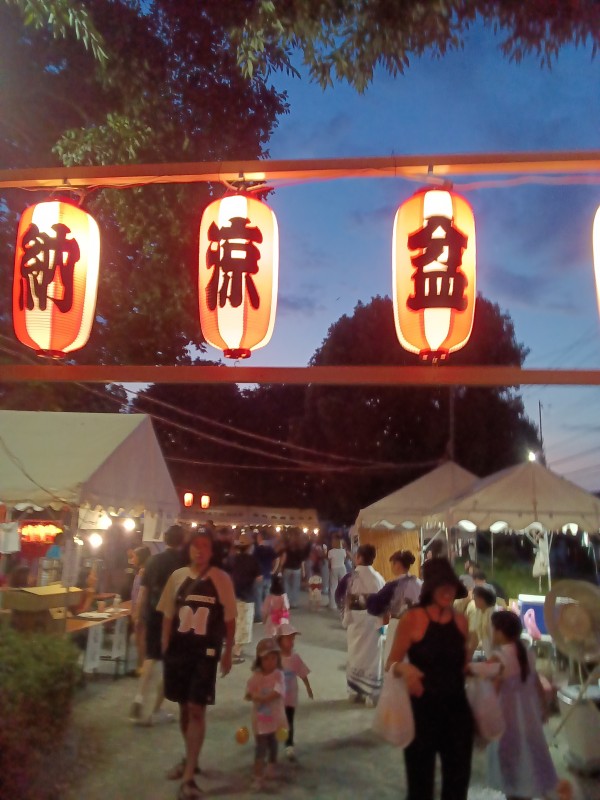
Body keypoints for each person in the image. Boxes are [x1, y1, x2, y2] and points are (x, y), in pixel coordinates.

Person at [158, 529, 236, 800]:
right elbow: (168, 614)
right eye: (195, 545)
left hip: (205, 653)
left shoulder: (221, 579)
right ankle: (191, 757)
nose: (199, 550)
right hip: (179, 652)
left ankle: (189, 776)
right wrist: (165, 644)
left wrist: (228, 651)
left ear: (211, 551)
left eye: (205, 545)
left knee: (196, 709)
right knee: (183, 708)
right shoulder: (178, 577)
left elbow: (230, 619)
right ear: (189, 549)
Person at [387, 557, 473, 800]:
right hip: (422, 712)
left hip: (457, 711)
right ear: (430, 589)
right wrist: (405, 670)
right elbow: (391, 662)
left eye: (451, 587)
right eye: (441, 586)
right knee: (420, 785)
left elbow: (460, 666)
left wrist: (482, 669)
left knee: (457, 784)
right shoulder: (412, 619)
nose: (448, 592)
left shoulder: (461, 621)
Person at [485, 609, 558, 800]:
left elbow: (492, 691)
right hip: (528, 715)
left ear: (500, 631)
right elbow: (537, 683)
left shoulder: (498, 657)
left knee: (510, 758)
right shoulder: (526, 652)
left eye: (492, 628)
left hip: (506, 716)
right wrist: (543, 708)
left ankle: (514, 793)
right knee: (528, 756)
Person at [129, 524, 185, 725]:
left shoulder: (153, 560)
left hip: (153, 613)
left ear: (165, 539)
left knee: (151, 657)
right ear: (182, 541)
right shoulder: (184, 562)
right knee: (171, 664)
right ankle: (156, 710)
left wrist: (138, 615)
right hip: (174, 616)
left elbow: (143, 591)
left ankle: (139, 698)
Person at [340, 543, 385, 705]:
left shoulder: (351, 578)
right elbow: (384, 603)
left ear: (359, 557)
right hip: (373, 621)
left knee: (355, 654)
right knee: (373, 656)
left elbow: (343, 599)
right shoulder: (379, 578)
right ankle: (371, 694)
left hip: (356, 620)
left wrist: (346, 617)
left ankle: (355, 692)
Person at [245, 637, 287, 792]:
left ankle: (271, 766)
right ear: (259, 660)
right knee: (260, 748)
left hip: (275, 719)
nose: (270, 662)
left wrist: (261, 698)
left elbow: (277, 692)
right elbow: (248, 693)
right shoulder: (256, 677)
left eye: (273, 658)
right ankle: (258, 776)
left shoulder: (278, 675)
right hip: (260, 720)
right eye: (266, 659)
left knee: (273, 744)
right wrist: (251, 695)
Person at [366, 549, 422, 663]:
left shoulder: (394, 586)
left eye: (393, 564)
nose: (391, 567)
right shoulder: (419, 583)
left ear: (398, 565)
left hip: (398, 627)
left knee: (394, 662)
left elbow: (375, 606)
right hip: (418, 628)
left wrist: (368, 598)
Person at [276, 623, 313, 761]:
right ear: (280, 640)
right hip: (276, 697)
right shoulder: (274, 658)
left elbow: (302, 673)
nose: (291, 642)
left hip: (290, 697)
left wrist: (308, 688)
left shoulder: (295, 658)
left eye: (293, 639)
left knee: (289, 720)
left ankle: (289, 744)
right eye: (288, 639)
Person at [230, 531, 261, 664]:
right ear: (250, 547)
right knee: (244, 625)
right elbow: (259, 578)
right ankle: (236, 652)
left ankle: (232, 646)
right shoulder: (253, 561)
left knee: (234, 622)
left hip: (232, 595)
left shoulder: (233, 559)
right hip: (246, 596)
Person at [130, 545, 151, 675]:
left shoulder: (143, 572)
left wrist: (137, 612)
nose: (132, 559)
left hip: (142, 609)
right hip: (139, 607)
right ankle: (141, 665)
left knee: (140, 638)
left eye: (134, 556)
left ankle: (141, 666)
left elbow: (141, 594)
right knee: (139, 638)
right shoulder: (141, 571)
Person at [282, 531, 311, 609]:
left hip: (287, 568)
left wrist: (281, 568)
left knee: (286, 586)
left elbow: (283, 558)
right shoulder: (299, 549)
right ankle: (294, 603)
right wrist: (303, 571)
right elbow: (302, 561)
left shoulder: (287, 548)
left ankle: (286, 602)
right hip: (296, 569)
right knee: (295, 587)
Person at [470, 583, 499, 658]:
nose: (473, 599)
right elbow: (474, 636)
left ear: (482, 599)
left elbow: (497, 643)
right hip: (489, 656)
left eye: (475, 597)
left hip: (497, 658)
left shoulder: (495, 616)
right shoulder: (479, 611)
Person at [253, 531, 276, 622]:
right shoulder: (270, 548)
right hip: (268, 575)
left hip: (259, 576)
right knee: (267, 596)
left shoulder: (257, 549)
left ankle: (258, 616)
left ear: (260, 538)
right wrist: (273, 570)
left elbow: (254, 562)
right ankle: (267, 615)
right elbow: (276, 559)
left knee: (258, 597)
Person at [327, 535, 349, 610]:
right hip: (342, 568)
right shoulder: (343, 551)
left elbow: (329, 563)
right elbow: (345, 560)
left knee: (333, 587)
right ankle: (345, 603)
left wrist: (329, 569)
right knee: (344, 586)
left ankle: (333, 605)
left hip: (334, 568)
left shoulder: (330, 552)